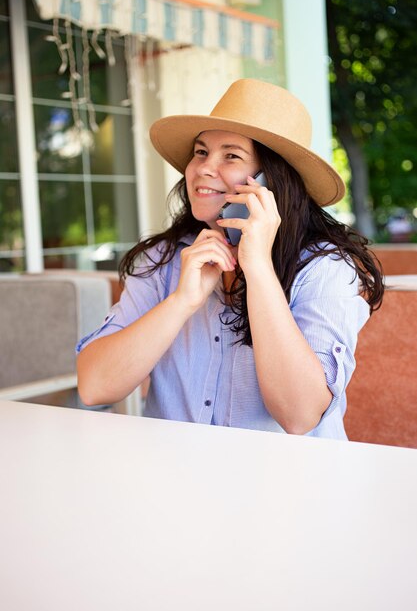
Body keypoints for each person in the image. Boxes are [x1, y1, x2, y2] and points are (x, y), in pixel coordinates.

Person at [77, 79, 384, 439]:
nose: (204, 168)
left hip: (289, 488)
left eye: (231, 155)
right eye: (201, 152)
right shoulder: (160, 260)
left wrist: (259, 271)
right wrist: (181, 302)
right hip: (175, 479)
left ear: (272, 180)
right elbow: (94, 386)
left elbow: (299, 416)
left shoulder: (326, 268)